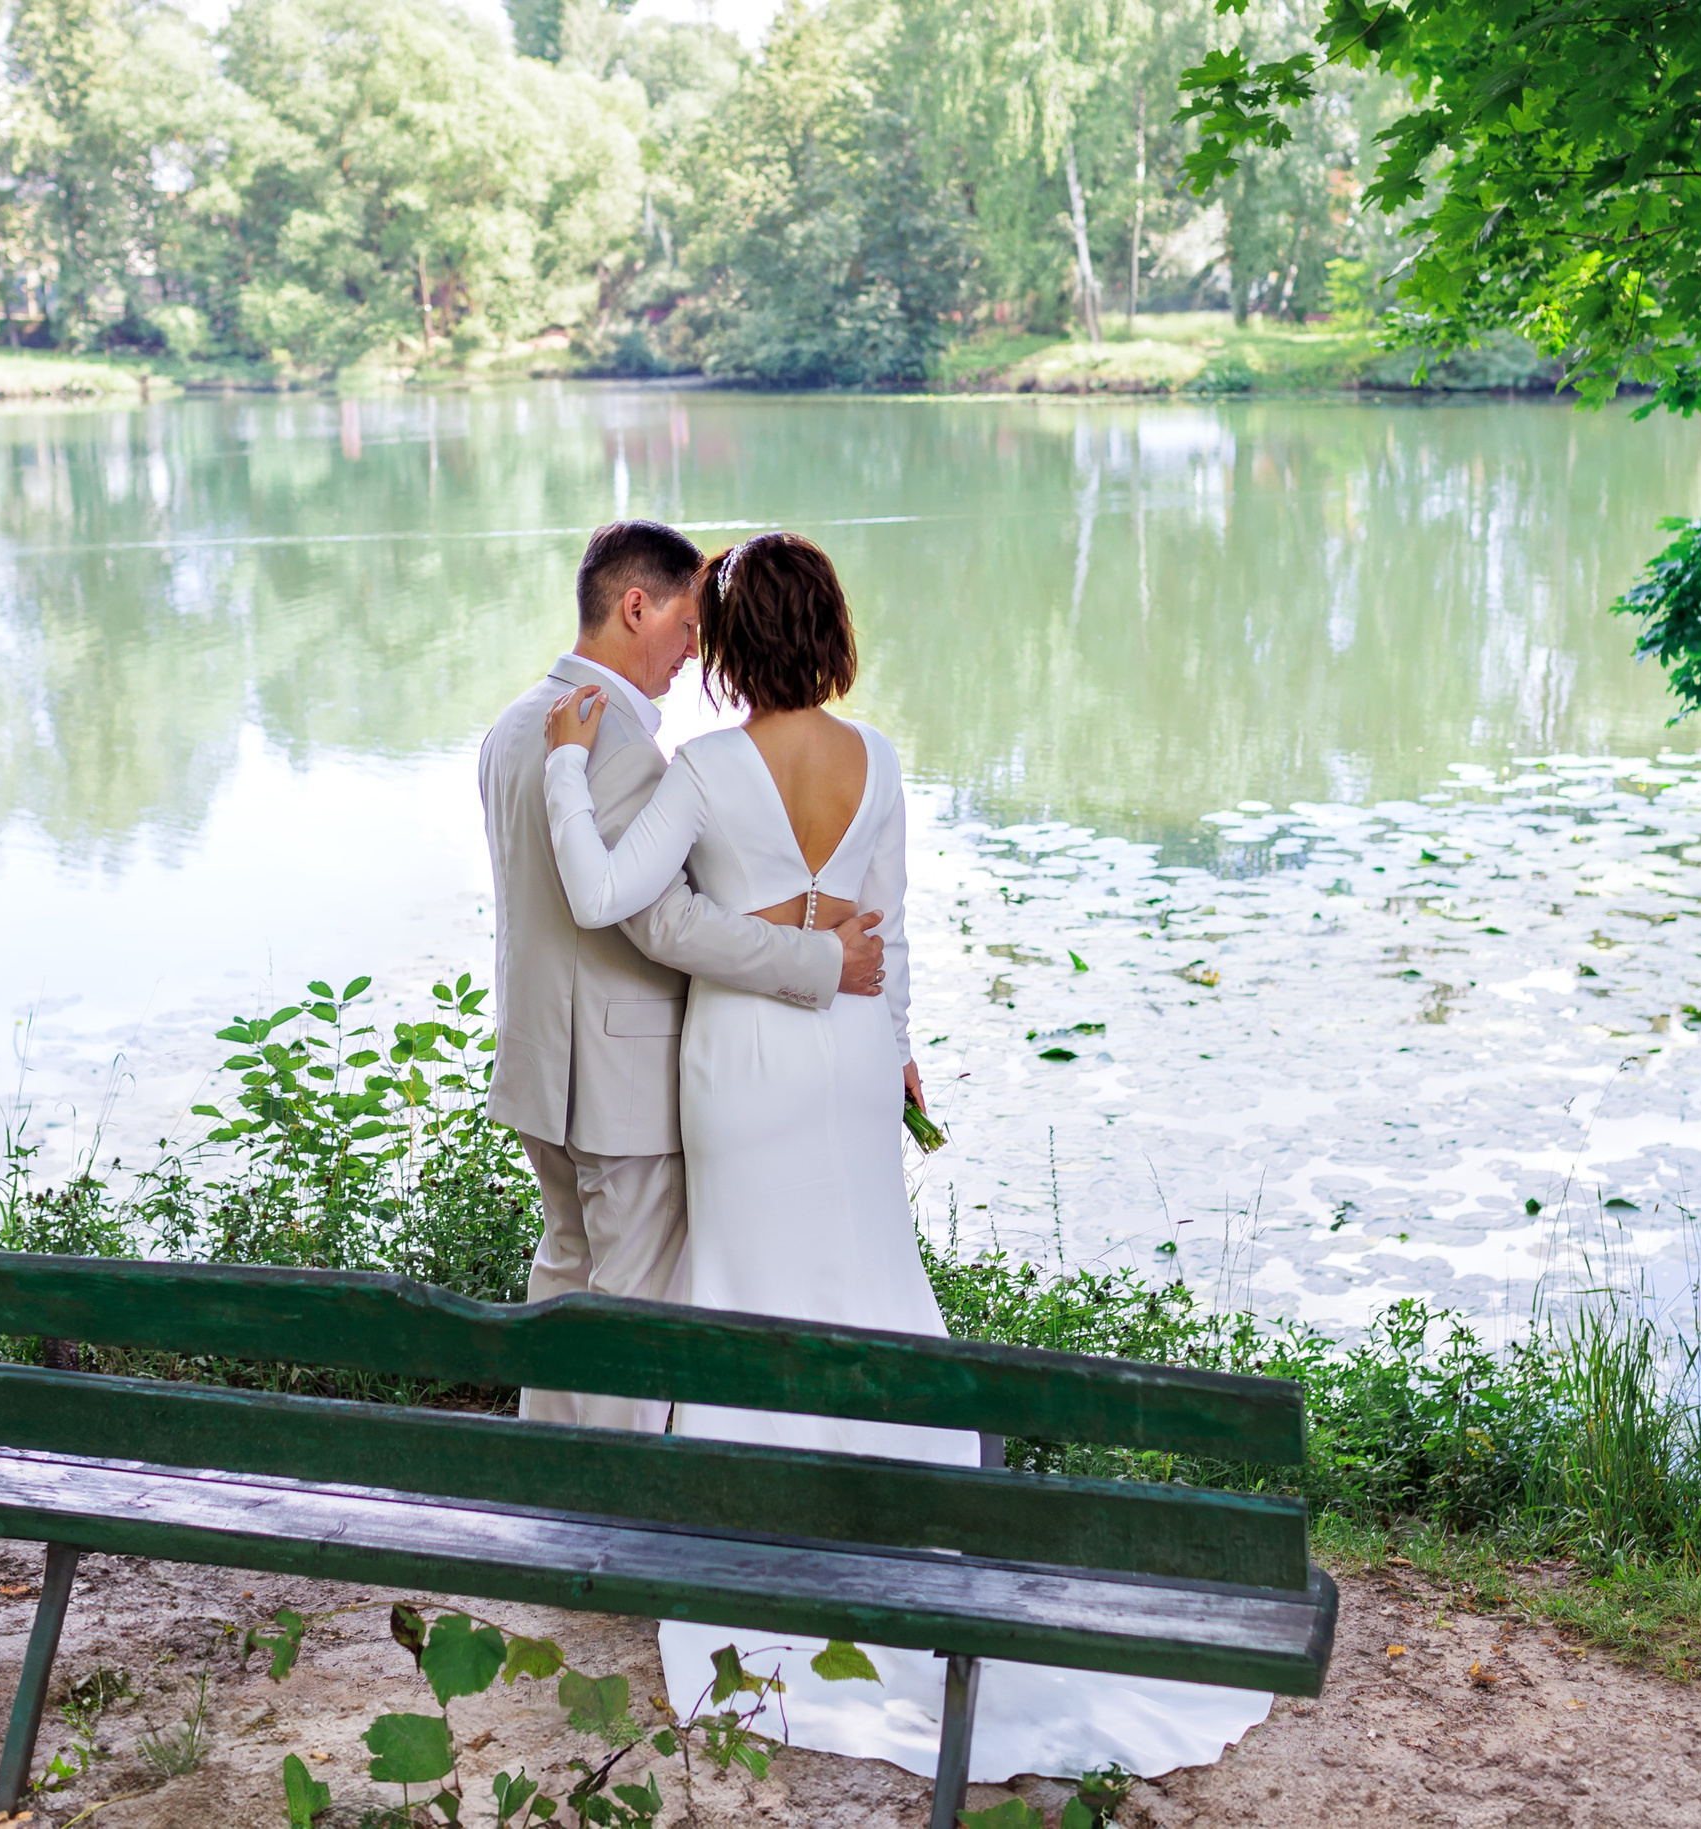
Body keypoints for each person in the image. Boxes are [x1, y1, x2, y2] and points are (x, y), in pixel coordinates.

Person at [539, 530, 1274, 1785]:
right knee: (870, 1282)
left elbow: (607, 894)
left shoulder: (706, 766)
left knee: (753, 1289)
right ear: (829, 632)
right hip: (842, 1055)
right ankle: (911, 1531)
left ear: (725, 645)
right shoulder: (877, 757)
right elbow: (891, 923)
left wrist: (566, 768)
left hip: (745, 1067)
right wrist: (895, 1048)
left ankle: (761, 1548)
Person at [477, 520, 887, 1432]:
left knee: (564, 1286)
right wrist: (818, 953)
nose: (697, 649)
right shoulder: (617, 744)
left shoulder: (514, 726)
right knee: (633, 1310)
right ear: (636, 606)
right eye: (689, 623)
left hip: (545, 1068)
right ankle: (615, 1524)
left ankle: (542, 1487)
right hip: (618, 1083)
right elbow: (659, 919)